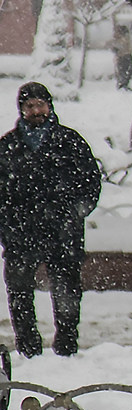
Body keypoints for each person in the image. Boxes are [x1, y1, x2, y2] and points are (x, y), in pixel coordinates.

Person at [0, 81, 103, 357]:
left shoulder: (69, 142)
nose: (36, 111)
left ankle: (67, 346)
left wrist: (75, 212)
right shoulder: (8, 146)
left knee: (67, 292)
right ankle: (28, 349)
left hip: (62, 232)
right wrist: (7, 226)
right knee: (20, 293)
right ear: (21, 109)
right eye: (30, 106)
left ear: (50, 106)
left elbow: (91, 182)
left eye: (40, 105)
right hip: (20, 233)